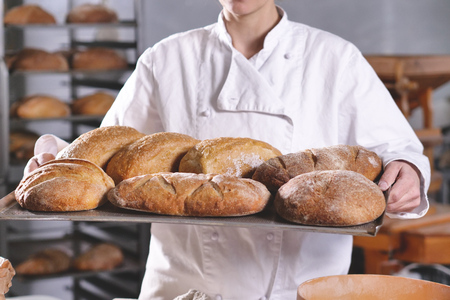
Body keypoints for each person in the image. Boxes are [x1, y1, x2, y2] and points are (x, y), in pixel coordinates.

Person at [26, 1, 430, 299]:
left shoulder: (335, 59)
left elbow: (395, 149)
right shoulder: (168, 58)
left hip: (302, 289)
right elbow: (108, 156)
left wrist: (408, 170)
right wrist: (54, 160)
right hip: (185, 286)